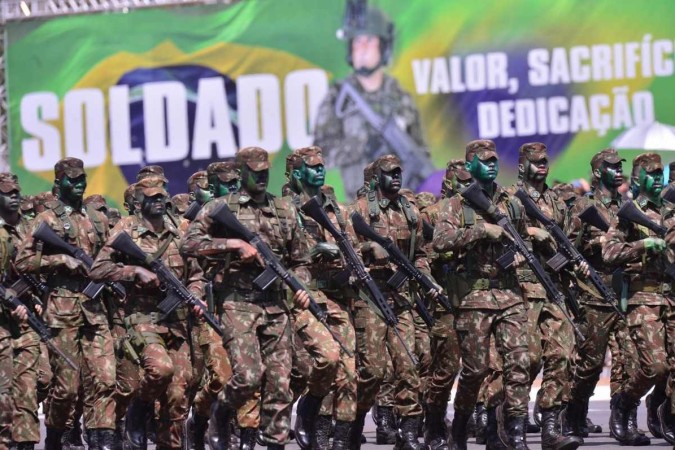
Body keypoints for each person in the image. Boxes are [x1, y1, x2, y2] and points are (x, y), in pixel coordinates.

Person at [181, 147, 311, 449]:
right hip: (237, 303)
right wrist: (232, 244)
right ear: (241, 173)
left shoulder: (284, 210)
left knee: (280, 382)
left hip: (276, 305)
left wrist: (302, 288)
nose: (262, 176)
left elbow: (301, 260)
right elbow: (189, 244)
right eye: (255, 172)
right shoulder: (219, 208)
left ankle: (275, 441)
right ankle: (221, 411)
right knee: (249, 376)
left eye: (265, 171)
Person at [89, 176, 204, 450]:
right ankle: (138, 409)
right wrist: (133, 271)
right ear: (139, 202)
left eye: (161, 196)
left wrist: (196, 294)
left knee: (179, 393)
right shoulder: (125, 229)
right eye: (152, 197)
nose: (159, 201)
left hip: (176, 321)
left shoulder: (181, 229)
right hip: (142, 318)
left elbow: (197, 273)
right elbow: (98, 269)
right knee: (160, 370)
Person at [432, 140, 530, 450]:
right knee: (475, 371)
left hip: (509, 293)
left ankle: (515, 431)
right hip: (474, 298)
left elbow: (522, 238)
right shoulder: (457, 205)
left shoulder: (512, 202)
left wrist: (519, 254)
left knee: (518, 362)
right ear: (470, 165)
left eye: (494, 160)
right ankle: (460, 424)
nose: (491, 165)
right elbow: (441, 241)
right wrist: (482, 231)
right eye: (483, 160)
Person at [15, 158, 117, 450]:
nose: (80, 184)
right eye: (72, 180)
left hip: (95, 308)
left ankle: (102, 440)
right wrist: (61, 259)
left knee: (105, 378)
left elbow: (110, 255)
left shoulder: (96, 218)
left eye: (82, 179)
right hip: (62, 309)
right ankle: (56, 438)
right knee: (67, 388)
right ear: (59, 183)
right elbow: (22, 262)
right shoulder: (46, 219)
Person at [348, 154, 437, 450]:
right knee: (373, 371)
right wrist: (370, 249)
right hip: (370, 298)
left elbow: (421, 252)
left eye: (399, 172)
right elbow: (344, 254)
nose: (397, 177)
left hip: (401, 299)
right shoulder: (358, 211)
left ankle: (408, 433)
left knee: (409, 365)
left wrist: (422, 273)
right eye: (390, 173)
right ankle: (354, 420)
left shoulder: (410, 211)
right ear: (375, 178)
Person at [313, 5, 431, 199]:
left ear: (384, 46)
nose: (362, 48)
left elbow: (421, 154)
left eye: (369, 40)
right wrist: (360, 145)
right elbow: (319, 157)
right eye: (357, 41)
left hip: (402, 206)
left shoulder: (401, 98)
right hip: (358, 208)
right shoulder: (337, 97)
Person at [509, 143, 582, 450]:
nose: (542, 166)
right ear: (523, 163)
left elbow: (570, 236)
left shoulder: (556, 200)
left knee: (563, 355)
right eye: (536, 162)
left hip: (553, 288)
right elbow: (503, 233)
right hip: (522, 288)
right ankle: (511, 423)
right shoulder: (509, 198)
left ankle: (550, 427)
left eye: (545, 161)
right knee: (527, 359)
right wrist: (529, 233)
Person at [284, 146, 358, 450]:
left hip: (335, 297)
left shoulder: (337, 211)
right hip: (301, 298)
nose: (319, 171)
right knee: (326, 358)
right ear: (297, 173)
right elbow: (273, 258)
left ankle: (335, 440)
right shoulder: (283, 210)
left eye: (321, 166)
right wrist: (310, 254)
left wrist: (350, 267)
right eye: (312, 167)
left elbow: (352, 250)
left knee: (350, 373)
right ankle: (308, 408)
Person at [602, 153, 671, 446]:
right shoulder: (629, 213)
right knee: (656, 368)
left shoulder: (672, 210)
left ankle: (668, 417)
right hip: (643, 298)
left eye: (660, 174)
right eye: (652, 174)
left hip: (672, 297)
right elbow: (609, 254)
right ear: (639, 178)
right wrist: (643, 244)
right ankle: (625, 402)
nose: (657, 179)